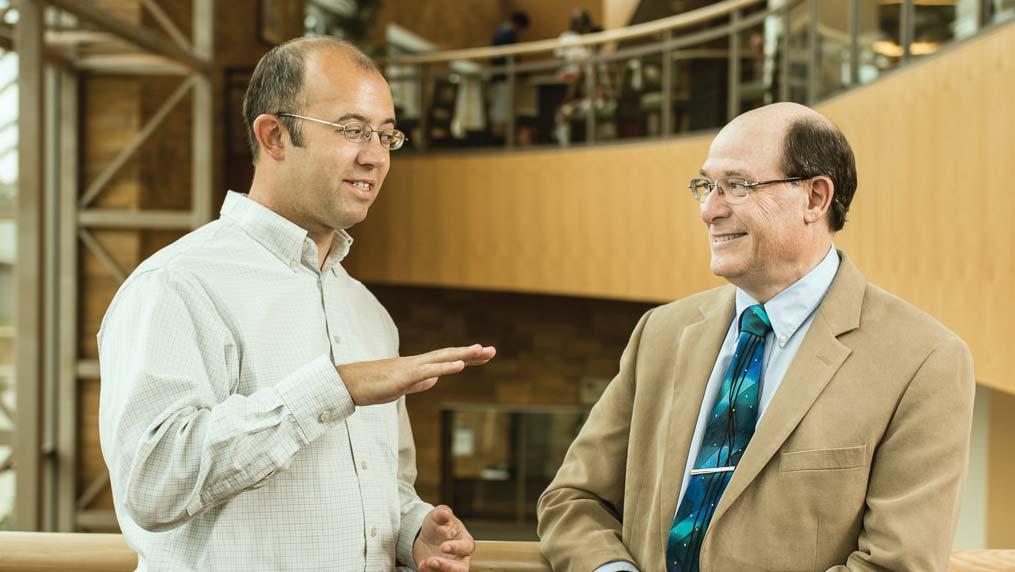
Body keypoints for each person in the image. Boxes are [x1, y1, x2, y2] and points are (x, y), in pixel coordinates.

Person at [98, 37, 495, 572]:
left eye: (385, 134)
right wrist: (335, 387)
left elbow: (383, 485)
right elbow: (150, 484)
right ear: (275, 135)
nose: (375, 155)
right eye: (352, 130)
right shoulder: (177, 284)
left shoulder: (367, 311)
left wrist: (412, 530)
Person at [537, 102, 975, 572]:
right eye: (706, 186)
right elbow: (573, 500)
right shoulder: (660, 333)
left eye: (737, 186)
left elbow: (896, 564)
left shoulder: (924, 359)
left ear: (815, 199)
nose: (709, 210)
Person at [489, 11, 530, 140]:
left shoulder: (499, 32)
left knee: (500, 112)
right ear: (518, 25)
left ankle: (501, 140)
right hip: (504, 79)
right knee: (502, 114)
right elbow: (510, 58)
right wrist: (521, 72)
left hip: (499, 78)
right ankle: (500, 142)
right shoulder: (507, 34)